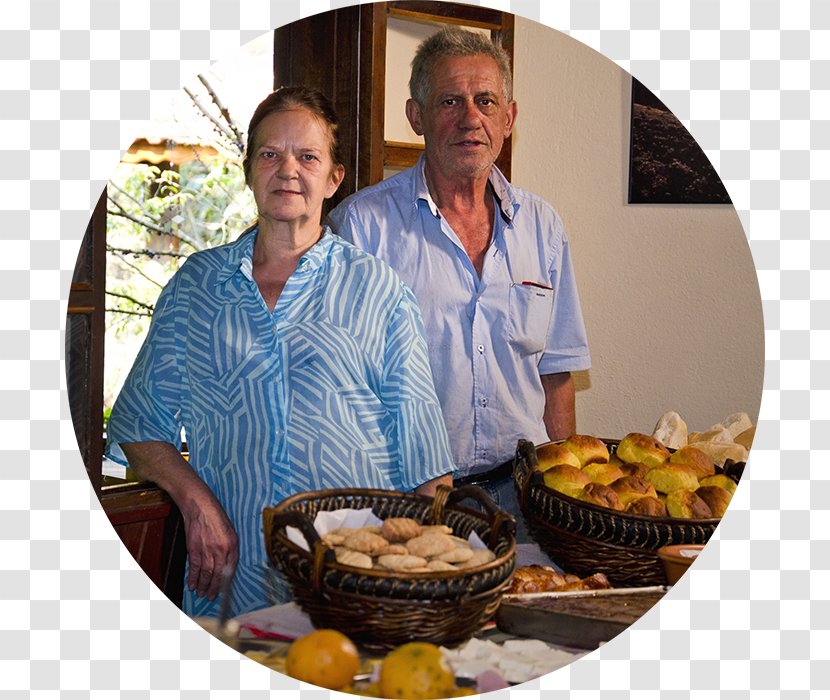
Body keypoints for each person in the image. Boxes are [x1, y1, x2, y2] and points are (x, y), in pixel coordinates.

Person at [106, 87, 454, 618]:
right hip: (232, 578)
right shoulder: (196, 288)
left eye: (308, 157)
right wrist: (196, 503)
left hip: (354, 586)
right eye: (270, 154)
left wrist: (415, 582)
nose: (287, 169)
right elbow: (137, 428)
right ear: (249, 171)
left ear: (334, 179)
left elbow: (429, 467)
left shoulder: (379, 291)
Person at [328, 28, 591, 542]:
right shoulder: (362, 227)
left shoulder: (543, 226)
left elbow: (557, 375)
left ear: (509, 118)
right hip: (405, 502)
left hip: (526, 499)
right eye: (450, 101)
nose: (471, 118)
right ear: (416, 116)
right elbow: (338, 388)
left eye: (486, 101)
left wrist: (567, 505)